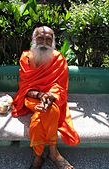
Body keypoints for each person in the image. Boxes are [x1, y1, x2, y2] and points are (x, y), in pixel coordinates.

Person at [12, 26, 80, 169]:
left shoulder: (58, 59)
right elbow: (25, 87)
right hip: (31, 97)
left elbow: (60, 86)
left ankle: (39, 156)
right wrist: (39, 94)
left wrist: (50, 96)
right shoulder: (26, 58)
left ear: (53, 42)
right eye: (40, 38)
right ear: (34, 39)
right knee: (47, 111)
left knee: (48, 112)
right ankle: (53, 154)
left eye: (48, 39)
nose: (44, 43)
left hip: (51, 97)